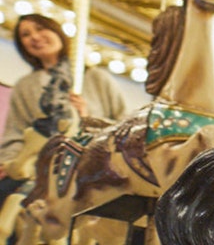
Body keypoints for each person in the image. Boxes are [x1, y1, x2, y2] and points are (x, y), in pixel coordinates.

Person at [0, 13, 128, 208]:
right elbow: (16, 131)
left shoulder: (96, 78)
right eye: (26, 34)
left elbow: (124, 125)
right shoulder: (25, 87)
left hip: (90, 162)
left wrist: (88, 117)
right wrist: (9, 163)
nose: (34, 37)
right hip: (39, 164)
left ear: (56, 32)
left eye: (40, 28)